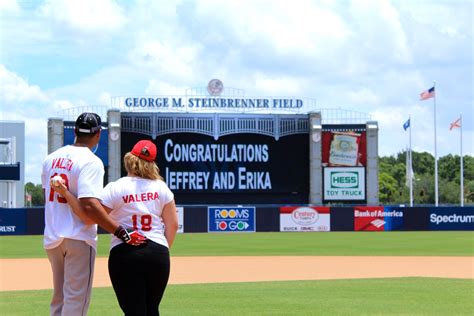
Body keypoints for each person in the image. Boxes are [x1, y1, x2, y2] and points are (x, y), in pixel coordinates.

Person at [42, 112, 146, 316]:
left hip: (53, 236)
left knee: (59, 300)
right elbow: (89, 206)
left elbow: (49, 196)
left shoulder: (50, 159)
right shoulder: (92, 161)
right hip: (78, 237)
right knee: (76, 302)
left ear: (74, 131)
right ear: (98, 134)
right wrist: (120, 231)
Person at [100, 140, 179, 316]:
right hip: (158, 252)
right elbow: (173, 225)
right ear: (152, 165)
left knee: (134, 311)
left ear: (129, 159)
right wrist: (161, 248)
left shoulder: (116, 187)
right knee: (152, 309)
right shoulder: (161, 187)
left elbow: (97, 215)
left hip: (125, 251)